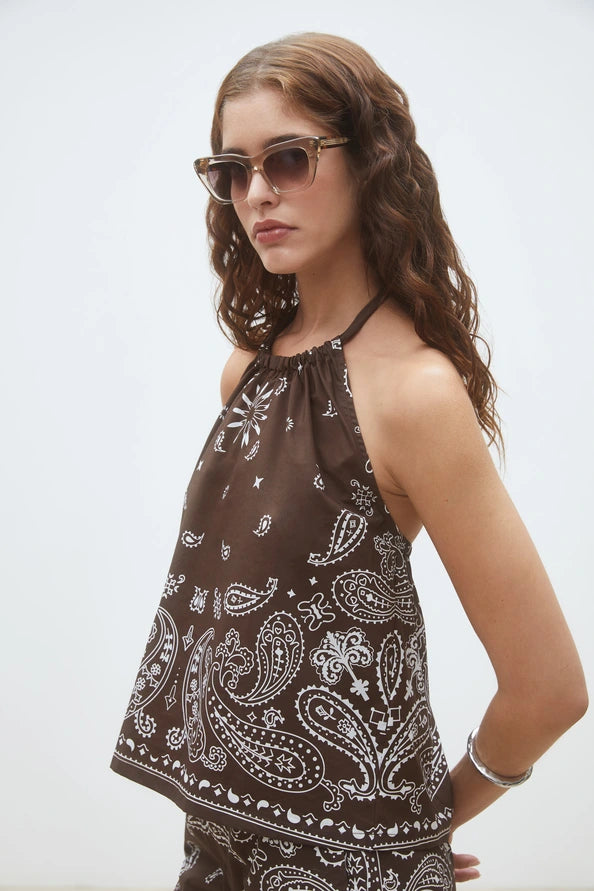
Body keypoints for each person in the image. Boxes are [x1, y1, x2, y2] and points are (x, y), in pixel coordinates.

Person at [111, 32, 588, 891]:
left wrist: (413, 821)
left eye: (288, 159)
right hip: (219, 853)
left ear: (370, 159)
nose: (256, 194)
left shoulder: (415, 395)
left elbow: (550, 686)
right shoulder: (249, 371)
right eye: (232, 169)